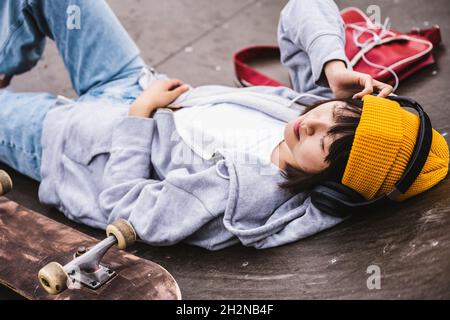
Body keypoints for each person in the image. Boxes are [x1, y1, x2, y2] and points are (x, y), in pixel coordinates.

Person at [0, 0, 448, 250]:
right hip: (131, 81)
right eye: (337, 116)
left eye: (331, 145)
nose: (313, 126)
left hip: (69, 141)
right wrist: (333, 67)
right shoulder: (301, 111)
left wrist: (138, 117)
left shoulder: (247, 198)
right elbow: (302, 10)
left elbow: (128, 206)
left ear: (333, 184)